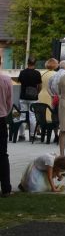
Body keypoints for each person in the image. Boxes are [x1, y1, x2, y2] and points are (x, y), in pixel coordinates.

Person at [0, 65, 13, 197]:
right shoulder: (6, 79)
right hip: (1, 118)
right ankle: (6, 188)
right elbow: (9, 102)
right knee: (2, 154)